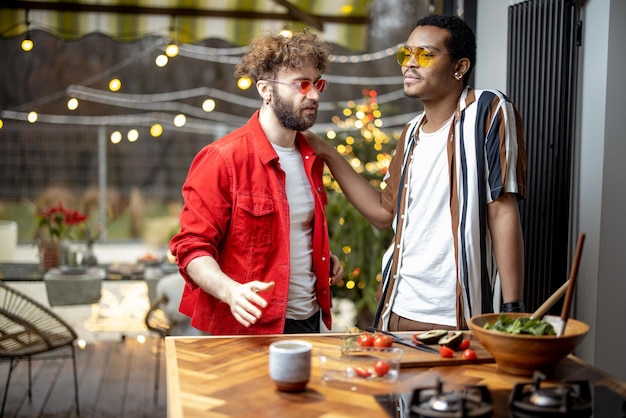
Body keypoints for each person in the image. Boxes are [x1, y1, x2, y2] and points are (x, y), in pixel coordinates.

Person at [305, 14, 527, 332]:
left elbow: (502, 209)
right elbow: (384, 213)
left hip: (456, 317)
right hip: (394, 308)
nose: (410, 63)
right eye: (405, 54)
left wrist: (511, 309)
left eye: (424, 54)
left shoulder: (487, 111)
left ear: (460, 67)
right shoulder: (410, 134)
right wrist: (327, 152)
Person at [170, 30, 343, 335]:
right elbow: (191, 248)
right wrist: (230, 291)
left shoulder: (311, 157)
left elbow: (289, 232)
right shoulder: (223, 158)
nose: (314, 95)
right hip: (245, 329)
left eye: (317, 83)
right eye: (301, 84)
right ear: (265, 89)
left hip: (308, 321)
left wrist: (322, 256)